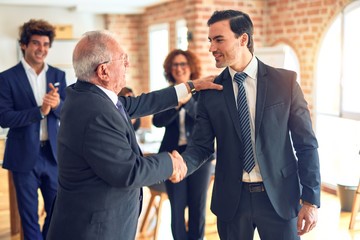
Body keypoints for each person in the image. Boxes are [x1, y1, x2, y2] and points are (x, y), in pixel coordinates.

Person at [46, 30, 222, 240]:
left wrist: (192, 86)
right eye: (123, 59)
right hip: (94, 230)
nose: (127, 65)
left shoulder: (88, 94)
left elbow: (140, 103)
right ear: (103, 71)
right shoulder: (96, 112)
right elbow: (129, 171)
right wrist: (171, 162)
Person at [176, 10, 321, 240]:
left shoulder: (286, 82)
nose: (211, 48)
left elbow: (306, 144)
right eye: (210, 40)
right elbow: (201, 147)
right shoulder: (210, 92)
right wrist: (179, 164)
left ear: (243, 39)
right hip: (232, 201)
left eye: (219, 39)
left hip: (280, 198)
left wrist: (311, 200)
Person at [0, 19, 67, 239]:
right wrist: (40, 111)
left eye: (46, 44)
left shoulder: (58, 76)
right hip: (23, 156)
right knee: (28, 216)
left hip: (53, 155)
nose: (42, 49)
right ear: (24, 45)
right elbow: (4, 117)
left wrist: (57, 106)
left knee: (57, 212)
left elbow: (68, 112)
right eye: (36, 43)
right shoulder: (7, 78)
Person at [153, 49, 213, 240]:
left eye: (183, 64)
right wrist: (177, 102)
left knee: (198, 206)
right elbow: (157, 121)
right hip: (171, 156)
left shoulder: (201, 93)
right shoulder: (166, 94)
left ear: (191, 68)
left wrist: (188, 98)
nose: (179, 68)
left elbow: (204, 119)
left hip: (199, 156)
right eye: (175, 65)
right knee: (177, 207)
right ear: (170, 70)